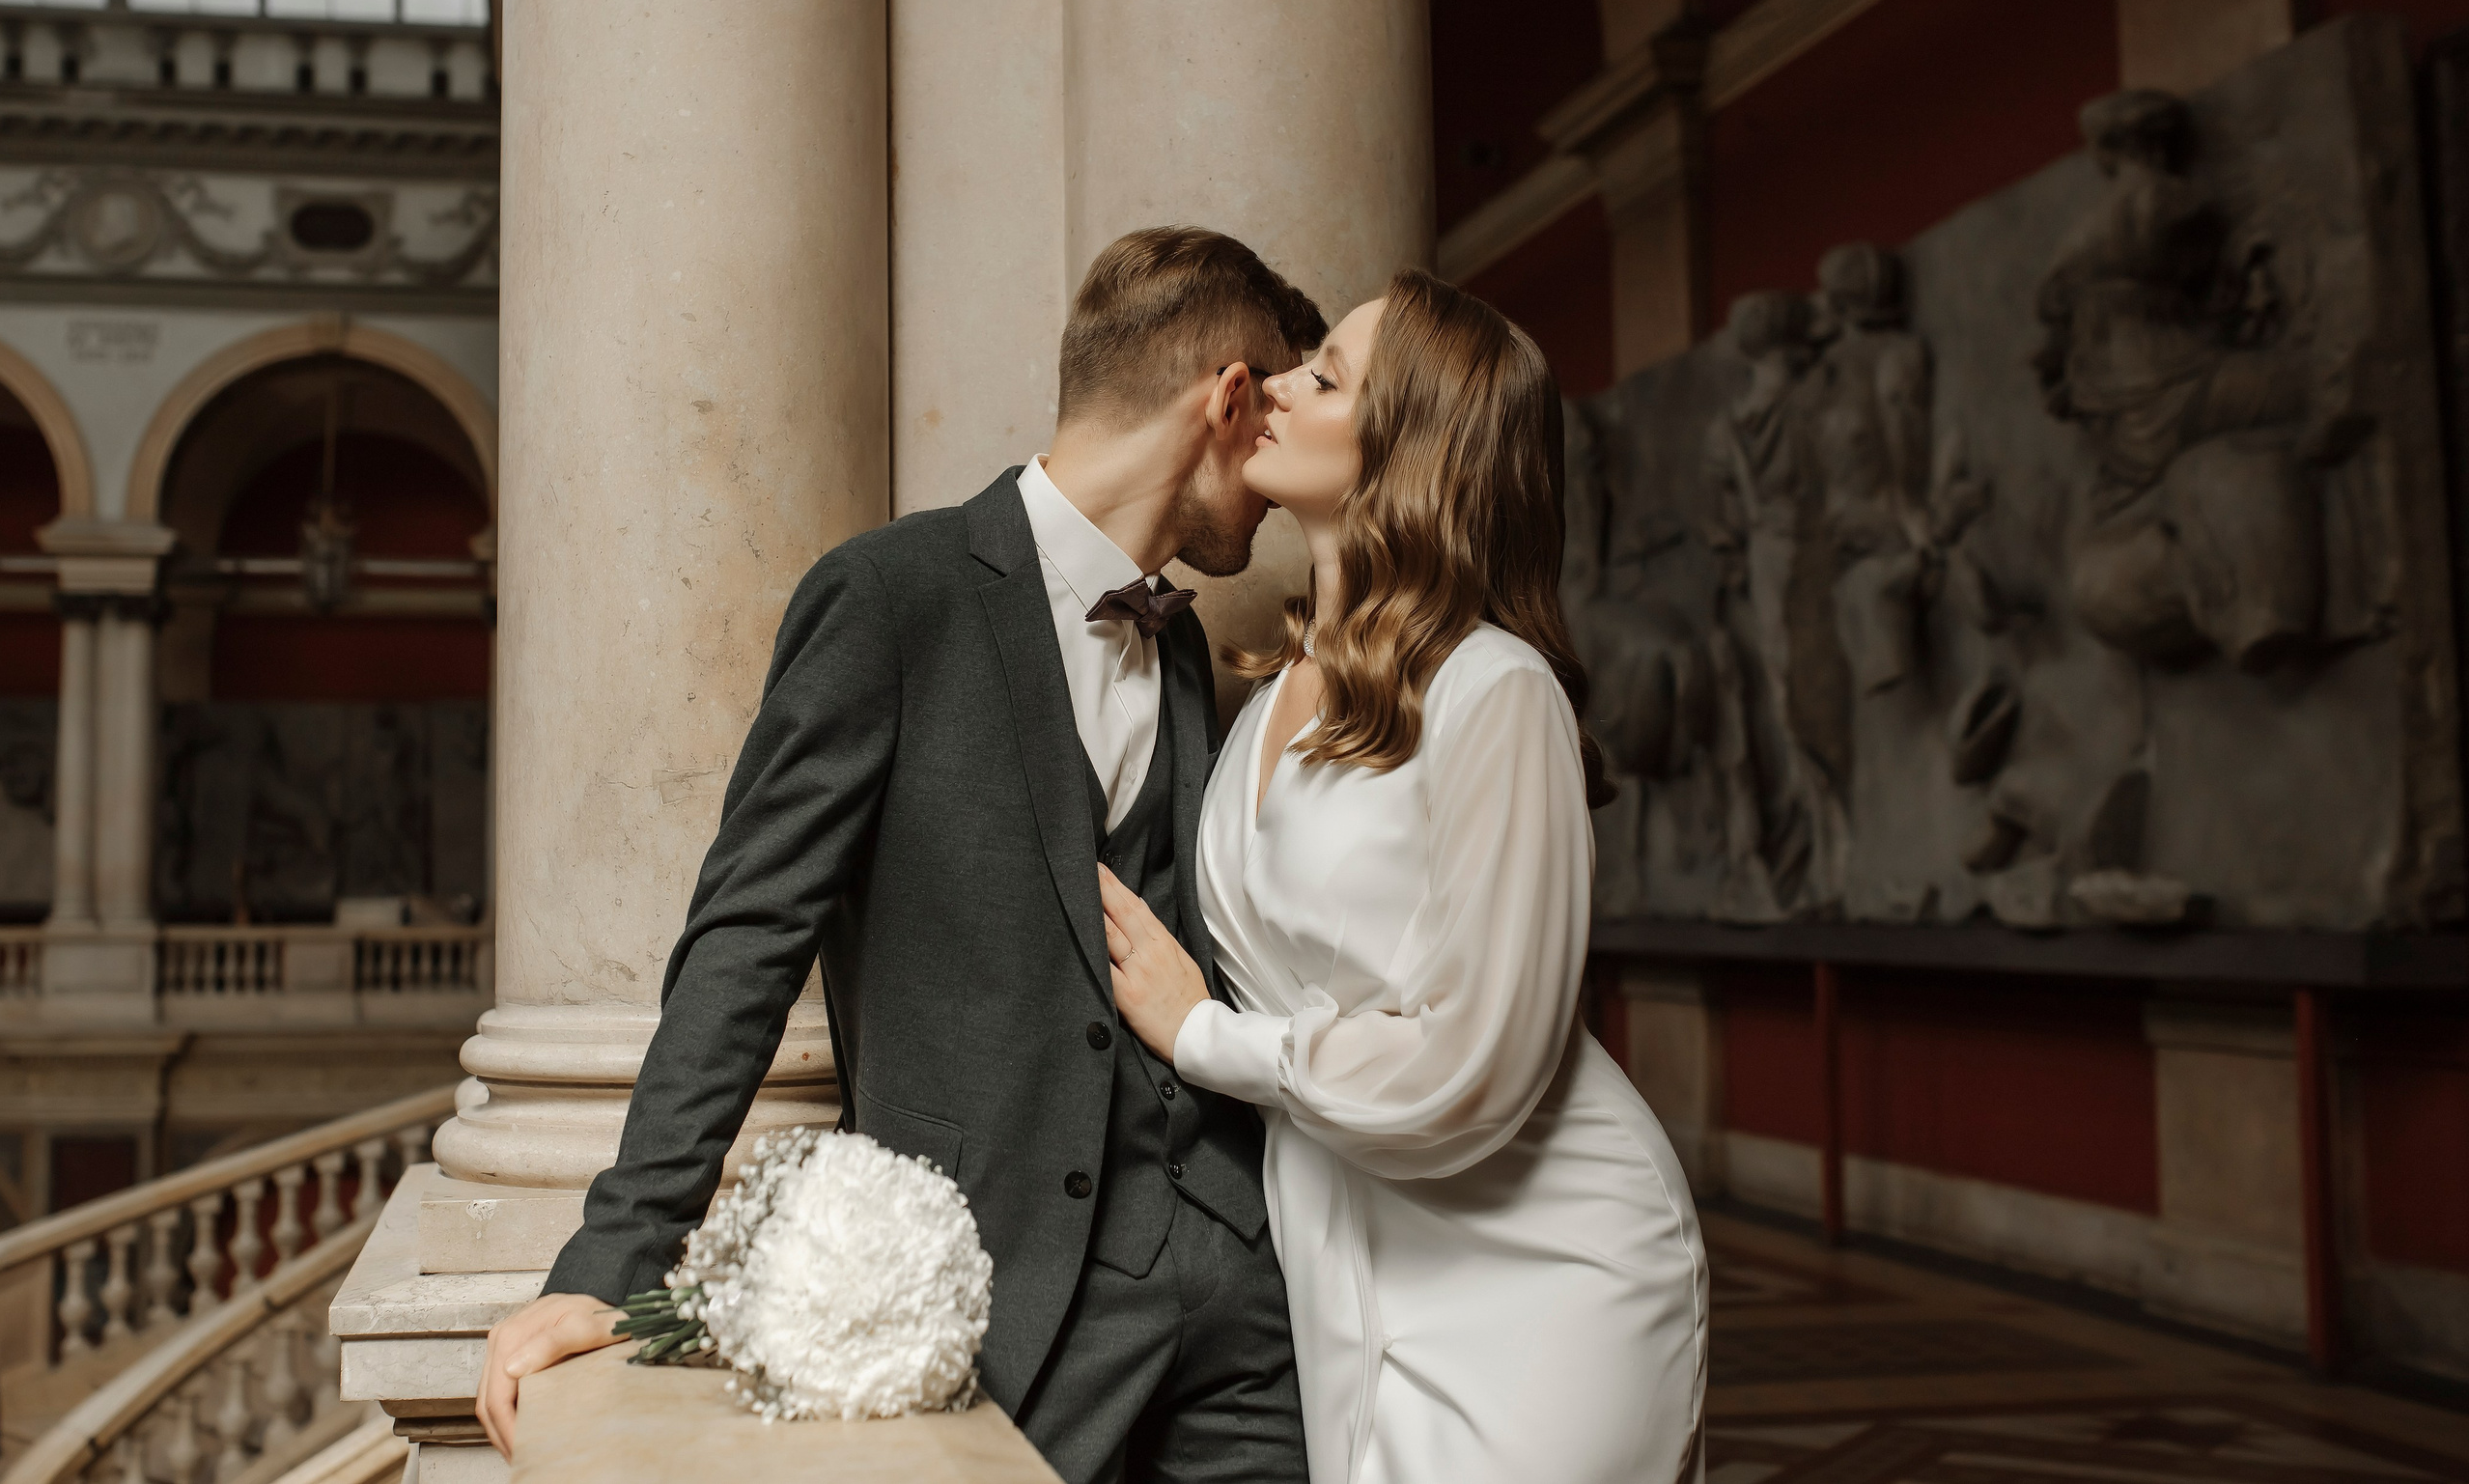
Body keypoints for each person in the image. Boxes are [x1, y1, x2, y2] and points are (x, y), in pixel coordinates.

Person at [474, 225, 1326, 1484]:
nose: (1276, 479)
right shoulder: (890, 595)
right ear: (1229, 398)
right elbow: (749, 934)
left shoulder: (1182, 644)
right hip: (1015, 1289)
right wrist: (618, 1254)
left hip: (1237, 1291)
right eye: (1269, 428)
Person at [1104, 269, 1711, 1484]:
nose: (1274, 386)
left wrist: (1206, 1036)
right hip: (1341, 1267)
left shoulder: (1496, 692)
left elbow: (1472, 1062)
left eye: (1323, 376)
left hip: (1543, 1273)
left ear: (1410, 453)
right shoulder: (1260, 702)